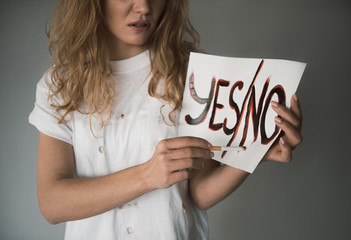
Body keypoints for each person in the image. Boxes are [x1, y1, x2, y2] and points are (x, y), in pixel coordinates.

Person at [28, 0, 303, 239]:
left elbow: (196, 194)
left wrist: (253, 153)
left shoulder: (193, 74)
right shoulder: (60, 85)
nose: (144, 8)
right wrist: (146, 176)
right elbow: (52, 203)